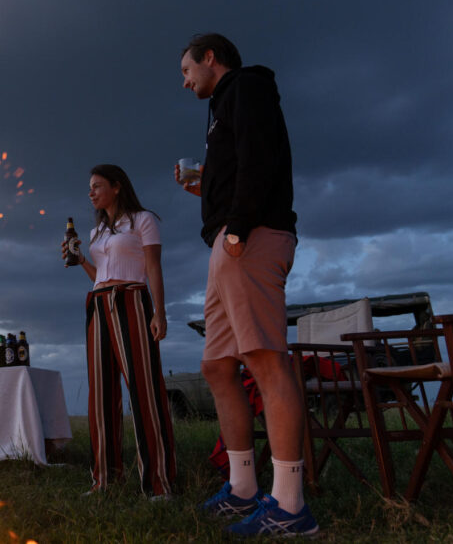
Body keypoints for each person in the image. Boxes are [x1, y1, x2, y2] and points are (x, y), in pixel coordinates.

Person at [176, 33, 316, 536]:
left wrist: (238, 225)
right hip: (227, 242)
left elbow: (260, 156)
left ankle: (290, 505)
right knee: (217, 366)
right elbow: (239, 162)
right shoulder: (219, 108)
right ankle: (242, 490)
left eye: (186, 68)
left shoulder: (247, 87)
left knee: (264, 361)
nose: (184, 79)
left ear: (210, 57)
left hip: (250, 236)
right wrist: (203, 183)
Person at [61, 164, 176, 500]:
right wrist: (81, 259)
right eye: (90, 188)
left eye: (97, 186)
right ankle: (105, 480)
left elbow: (153, 266)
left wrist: (160, 312)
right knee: (101, 392)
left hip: (131, 300)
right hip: (98, 303)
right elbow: (100, 275)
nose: (91, 193)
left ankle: (158, 482)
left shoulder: (143, 220)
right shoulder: (98, 232)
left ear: (117, 186)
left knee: (144, 389)